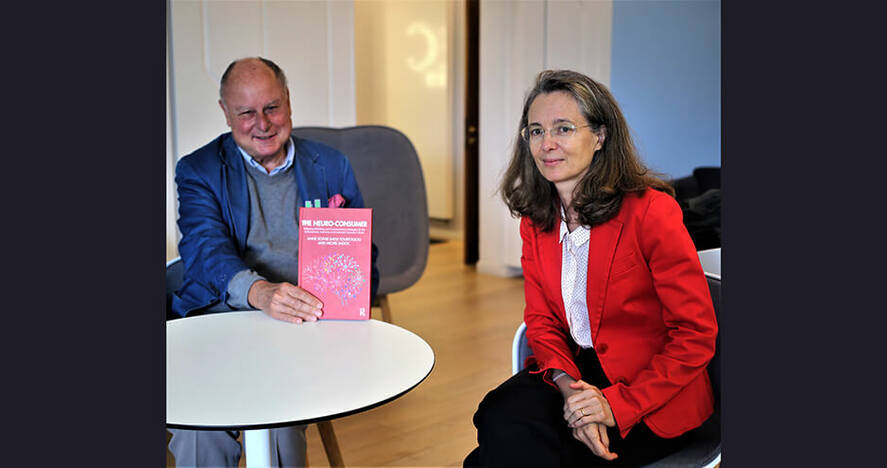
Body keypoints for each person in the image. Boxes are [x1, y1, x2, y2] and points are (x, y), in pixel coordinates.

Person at [464, 70, 718, 467]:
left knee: (493, 457)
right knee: (496, 413)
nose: (546, 144)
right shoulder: (536, 220)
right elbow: (541, 319)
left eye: (563, 128)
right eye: (535, 131)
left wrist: (614, 407)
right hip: (582, 372)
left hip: (655, 393)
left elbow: (696, 334)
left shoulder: (651, 212)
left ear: (599, 137)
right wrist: (570, 392)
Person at [168, 57, 379, 467]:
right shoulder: (199, 169)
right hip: (218, 318)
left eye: (272, 107)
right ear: (225, 112)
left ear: (289, 103)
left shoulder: (330, 164)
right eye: (246, 112)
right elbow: (204, 249)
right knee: (200, 432)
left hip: (303, 325)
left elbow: (361, 254)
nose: (262, 123)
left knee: (283, 422)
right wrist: (260, 293)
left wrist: (345, 313)